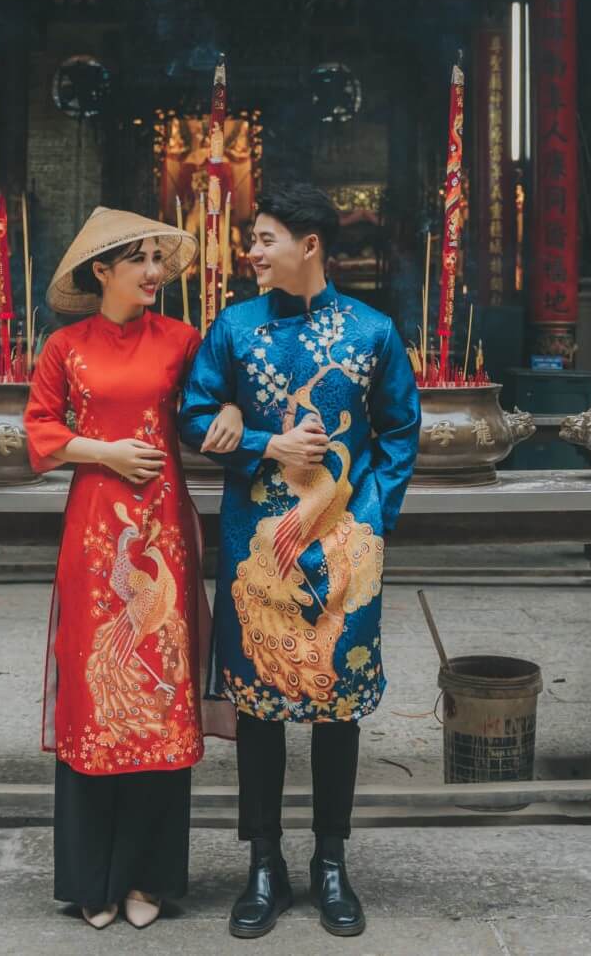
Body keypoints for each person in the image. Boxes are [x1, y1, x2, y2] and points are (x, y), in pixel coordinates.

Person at [181, 182, 421, 939]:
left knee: (336, 702)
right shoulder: (233, 329)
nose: (251, 252)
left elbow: (400, 435)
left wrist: (366, 525)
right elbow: (190, 412)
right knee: (259, 707)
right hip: (259, 550)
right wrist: (260, 442)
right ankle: (262, 864)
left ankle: (330, 862)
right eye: (253, 240)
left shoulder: (374, 333)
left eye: (264, 239)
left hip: (343, 547)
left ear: (308, 246)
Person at [24, 207, 244, 930]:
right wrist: (106, 452)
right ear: (102, 271)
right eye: (140, 260)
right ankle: (93, 879)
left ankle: (149, 877)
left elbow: (214, 399)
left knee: (158, 691)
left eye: (158, 258)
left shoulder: (181, 341)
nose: (155, 272)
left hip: (163, 536)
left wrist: (235, 415)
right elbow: (41, 430)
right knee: (97, 690)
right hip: (94, 539)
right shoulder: (66, 346)